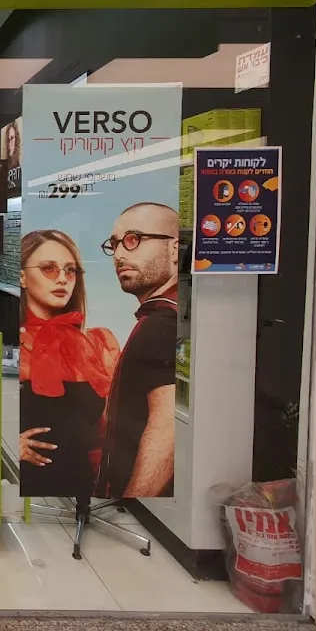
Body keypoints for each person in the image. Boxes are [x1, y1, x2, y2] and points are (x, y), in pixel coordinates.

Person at [18, 229, 119, 498]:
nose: (62, 278)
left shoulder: (96, 343)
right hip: (25, 485)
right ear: (22, 277)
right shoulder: (10, 340)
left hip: (83, 485)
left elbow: (107, 429)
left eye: (70, 270)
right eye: (49, 268)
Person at [98, 202, 180, 498]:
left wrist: (132, 503)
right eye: (114, 244)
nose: (119, 254)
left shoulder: (163, 324)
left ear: (175, 249)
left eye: (134, 239)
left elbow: (168, 432)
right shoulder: (169, 315)